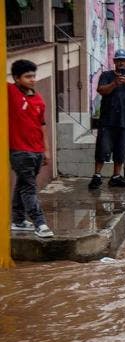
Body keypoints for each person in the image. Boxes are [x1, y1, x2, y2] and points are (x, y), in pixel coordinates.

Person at [7, 60, 53, 238]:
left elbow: (42, 126)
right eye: (28, 76)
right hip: (19, 150)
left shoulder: (38, 99)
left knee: (22, 184)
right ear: (16, 78)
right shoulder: (10, 92)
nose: (32, 79)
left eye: (33, 76)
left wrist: (46, 151)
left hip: (37, 151)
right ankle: (40, 223)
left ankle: (18, 220)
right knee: (29, 188)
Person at [88, 49, 125, 190]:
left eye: (124, 60)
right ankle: (97, 175)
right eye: (118, 60)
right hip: (107, 119)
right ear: (114, 62)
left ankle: (116, 176)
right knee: (102, 148)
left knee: (121, 149)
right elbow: (101, 90)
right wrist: (115, 83)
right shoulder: (106, 75)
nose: (121, 63)